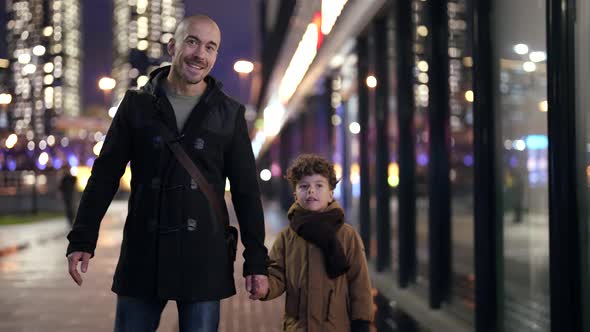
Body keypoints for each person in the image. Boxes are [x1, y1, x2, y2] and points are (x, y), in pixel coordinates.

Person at [66, 14, 269, 331]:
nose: (200, 54)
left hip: (204, 256)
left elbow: (246, 191)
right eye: (192, 41)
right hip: (144, 254)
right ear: (173, 45)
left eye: (210, 47)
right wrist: (82, 237)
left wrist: (256, 261)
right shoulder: (136, 104)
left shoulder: (230, 113)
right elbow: (105, 174)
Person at [260, 154, 374, 332]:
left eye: (319, 185)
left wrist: (362, 323)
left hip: (336, 327)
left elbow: (359, 283)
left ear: (330, 194)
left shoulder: (347, 236)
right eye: (304, 186)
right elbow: (277, 274)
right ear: (296, 194)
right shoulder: (286, 238)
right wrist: (265, 287)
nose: (311, 191)